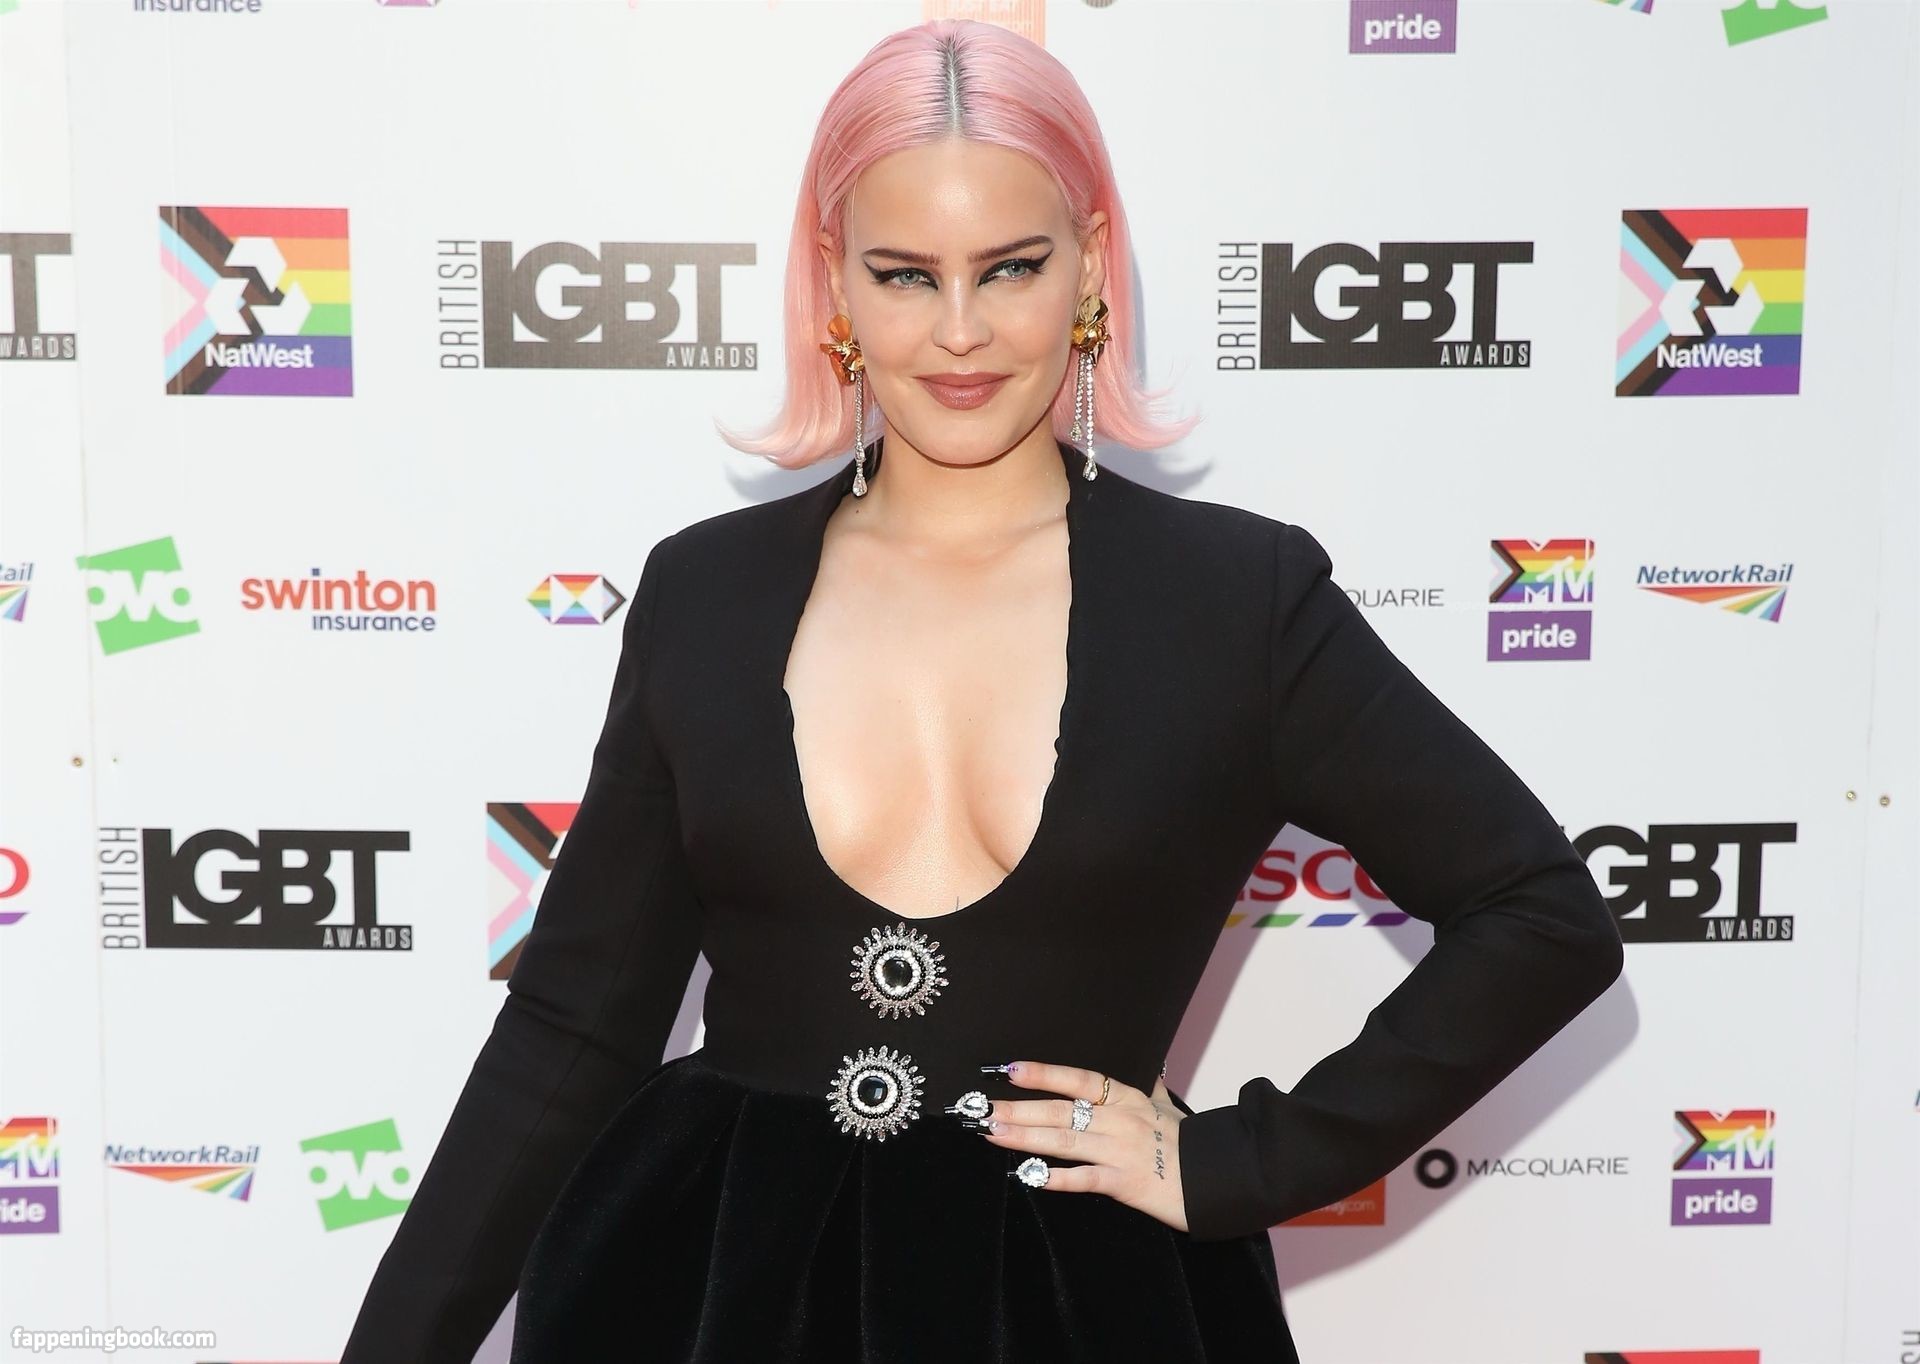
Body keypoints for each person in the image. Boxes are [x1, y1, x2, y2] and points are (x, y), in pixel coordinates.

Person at [339, 19, 1624, 1364]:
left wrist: (1246, 1161)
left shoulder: (1237, 600)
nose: (960, 332)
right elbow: (573, 1030)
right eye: (905, 275)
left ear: (1091, 262)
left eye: (1011, 267)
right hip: (717, 1286)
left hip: (1090, 1300)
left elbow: (1539, 915)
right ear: (833, 280)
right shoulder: (703, 593)